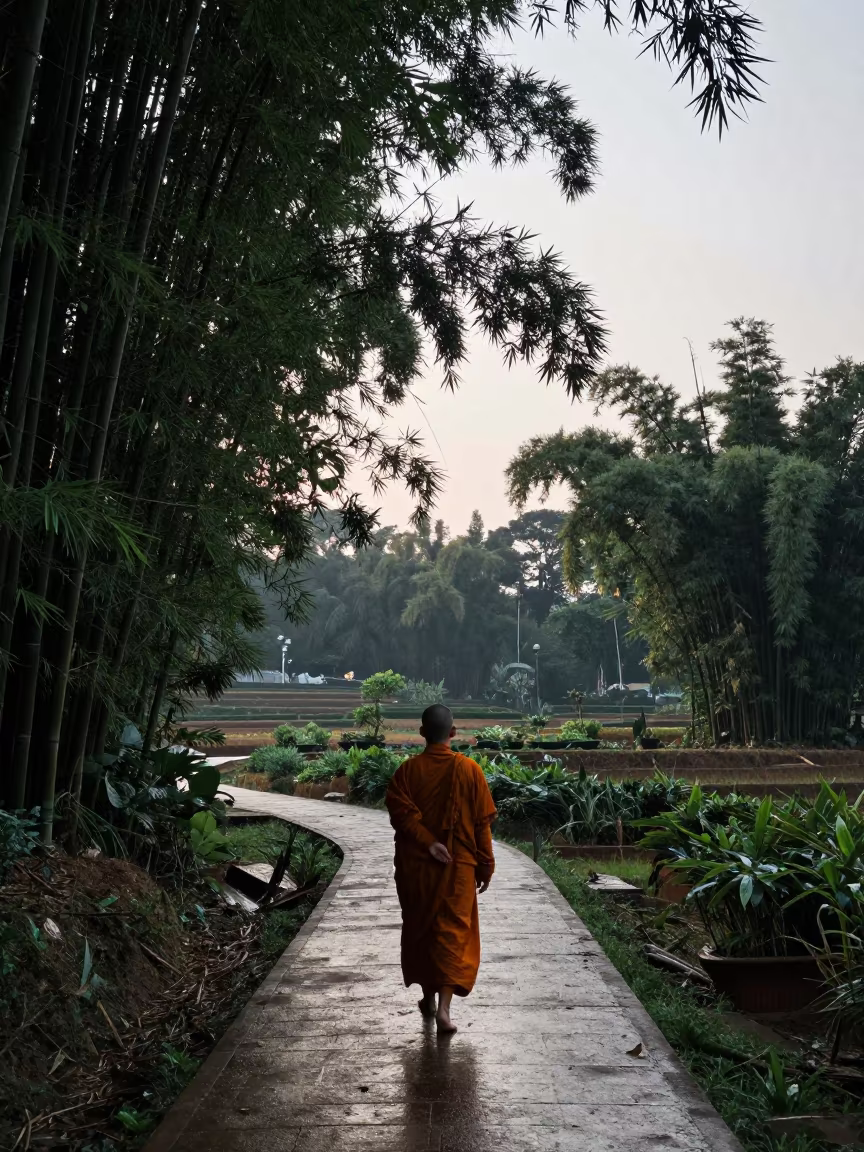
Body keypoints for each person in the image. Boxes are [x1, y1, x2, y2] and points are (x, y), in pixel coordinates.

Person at [385, 703, 497, 1034]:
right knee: (451, 932)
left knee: (424, 928)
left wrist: (427, 842)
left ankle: (429, 998)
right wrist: (486, 866)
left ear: (422, 733)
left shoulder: (406, 773)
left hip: (417, 870)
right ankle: (444, 1010)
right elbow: (481, 827)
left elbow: (401, 815)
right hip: (458, 869)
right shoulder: (470, 771)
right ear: (453, 733)